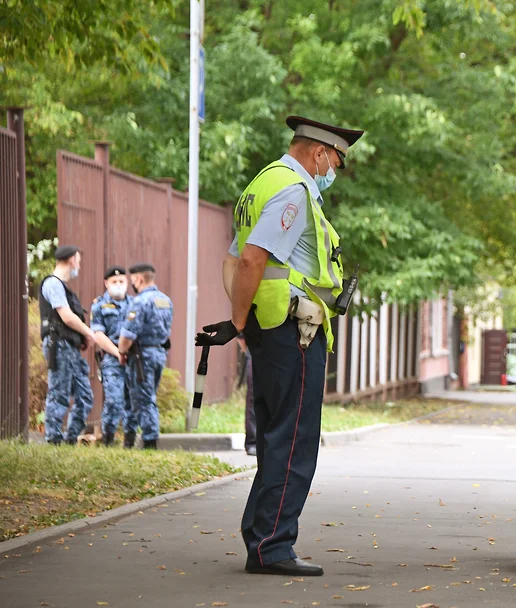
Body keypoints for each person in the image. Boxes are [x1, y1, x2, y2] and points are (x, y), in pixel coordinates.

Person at [200, 115, 363, 577]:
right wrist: (238, 320)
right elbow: (252, 258)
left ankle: (260, 537)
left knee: (275, 438)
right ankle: (272, 546)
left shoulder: (262, 183)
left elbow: (233, 257)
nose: (336, 171)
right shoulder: (294, 190)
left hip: (269, 328)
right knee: (293, 440)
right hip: (294, 332)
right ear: (318, 153)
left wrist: (243, 322)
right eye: (337, 162)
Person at [39, 244, 96, 445]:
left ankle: (70, 438)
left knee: (85, 395)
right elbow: (67, 317)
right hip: (59, 345)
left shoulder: (62, 286)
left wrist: (80, 338)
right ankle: (53, 439)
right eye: (78, 260)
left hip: (69, 347)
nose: (78, 265)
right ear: (72, 259)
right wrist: (88, 332)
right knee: (59, 392)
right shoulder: (53, 284)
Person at [118, 263, 173, 449]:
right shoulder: (165, 300)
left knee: (143, 399)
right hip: (159, 353)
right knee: (148, 395)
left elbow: (127, 335)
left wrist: (122, 352)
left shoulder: (140, 302)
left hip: (142, 357)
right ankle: (136, 439)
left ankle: (150, 442)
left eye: (132, 280)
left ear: (139, 279)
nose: (132, 284)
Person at [90, 266, 133, 446]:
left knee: (133, 402)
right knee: (114, 400)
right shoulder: (99, 305)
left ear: (127, 282)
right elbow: (98, 335)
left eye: (121, 281)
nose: (118, 285)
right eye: (114, 282)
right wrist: (118, 353)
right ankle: (108, 438)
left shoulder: (135, 304)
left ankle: (130, 441)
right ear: (106, 283)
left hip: (133, 360)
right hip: (112, 359)